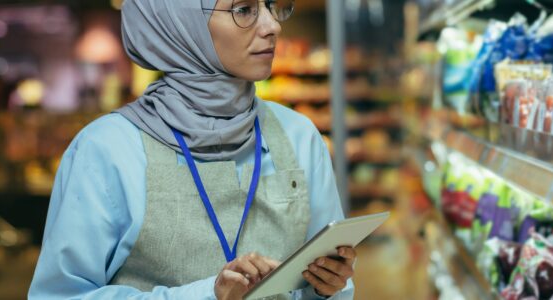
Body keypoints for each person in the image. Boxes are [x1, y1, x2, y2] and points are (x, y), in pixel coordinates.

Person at [29, 0, 356, 299]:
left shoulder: (298, 136)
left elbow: (335, 286)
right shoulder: (107, 150)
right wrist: (206, 295)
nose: (273, 25)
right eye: (244, 9)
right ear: (180, 25)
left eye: (271, 6)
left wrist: (326, 288)